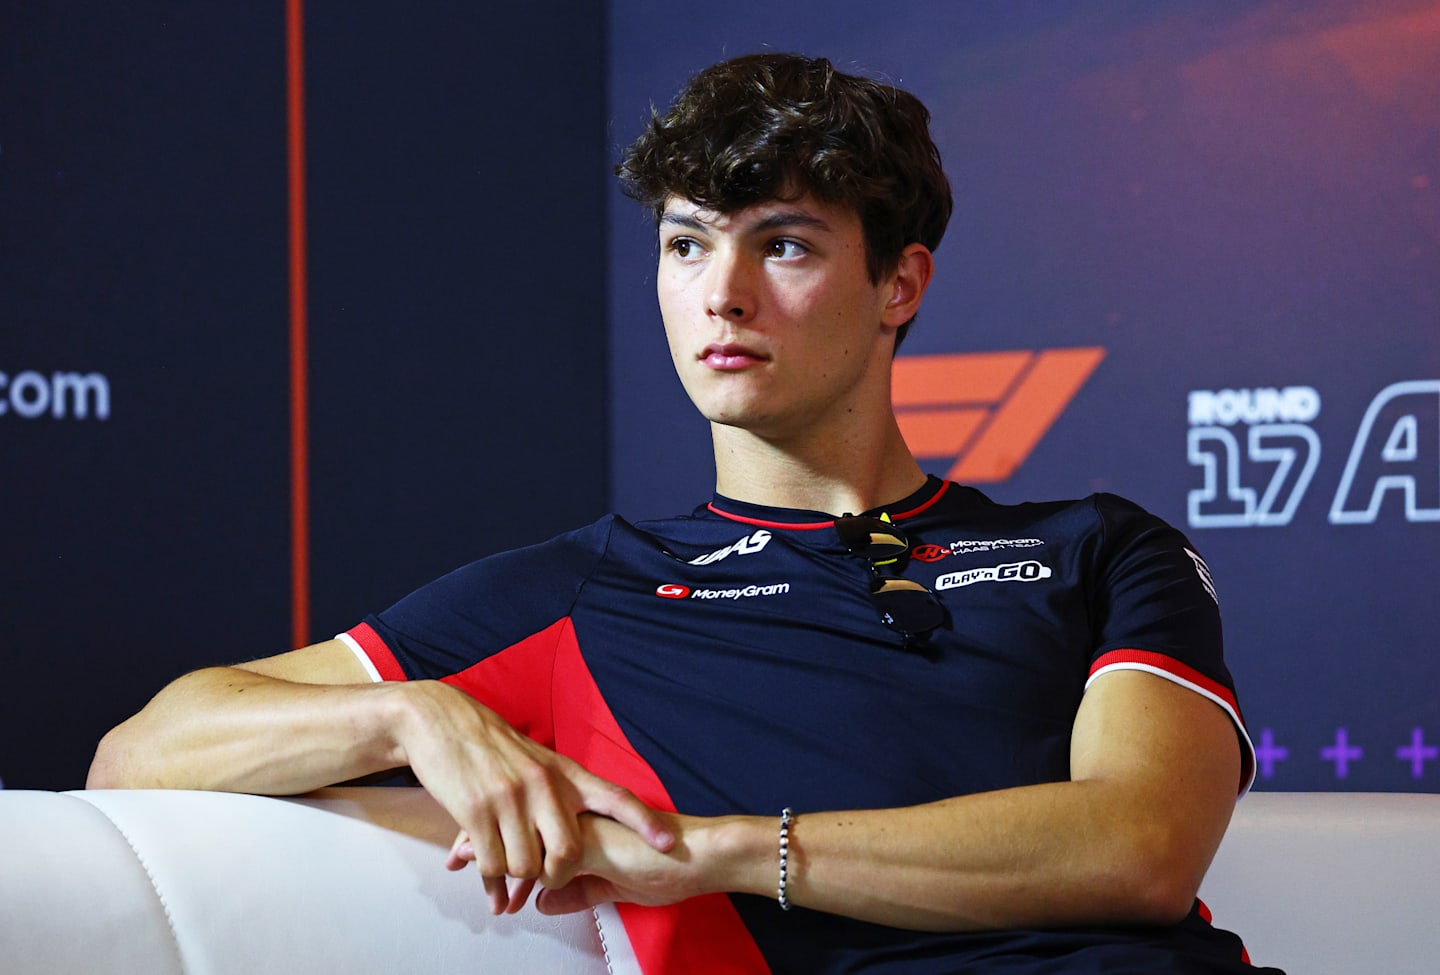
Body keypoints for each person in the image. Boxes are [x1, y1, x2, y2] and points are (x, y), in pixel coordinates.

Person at [90, 53, 1281, 974]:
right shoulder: (587, 586)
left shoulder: (1099, 547)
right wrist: (412, 716)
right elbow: (139, 755)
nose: (723, 293)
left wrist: (711, 851)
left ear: (899, 285)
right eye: (687, 243)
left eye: (786, 245)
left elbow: (1137, 848)